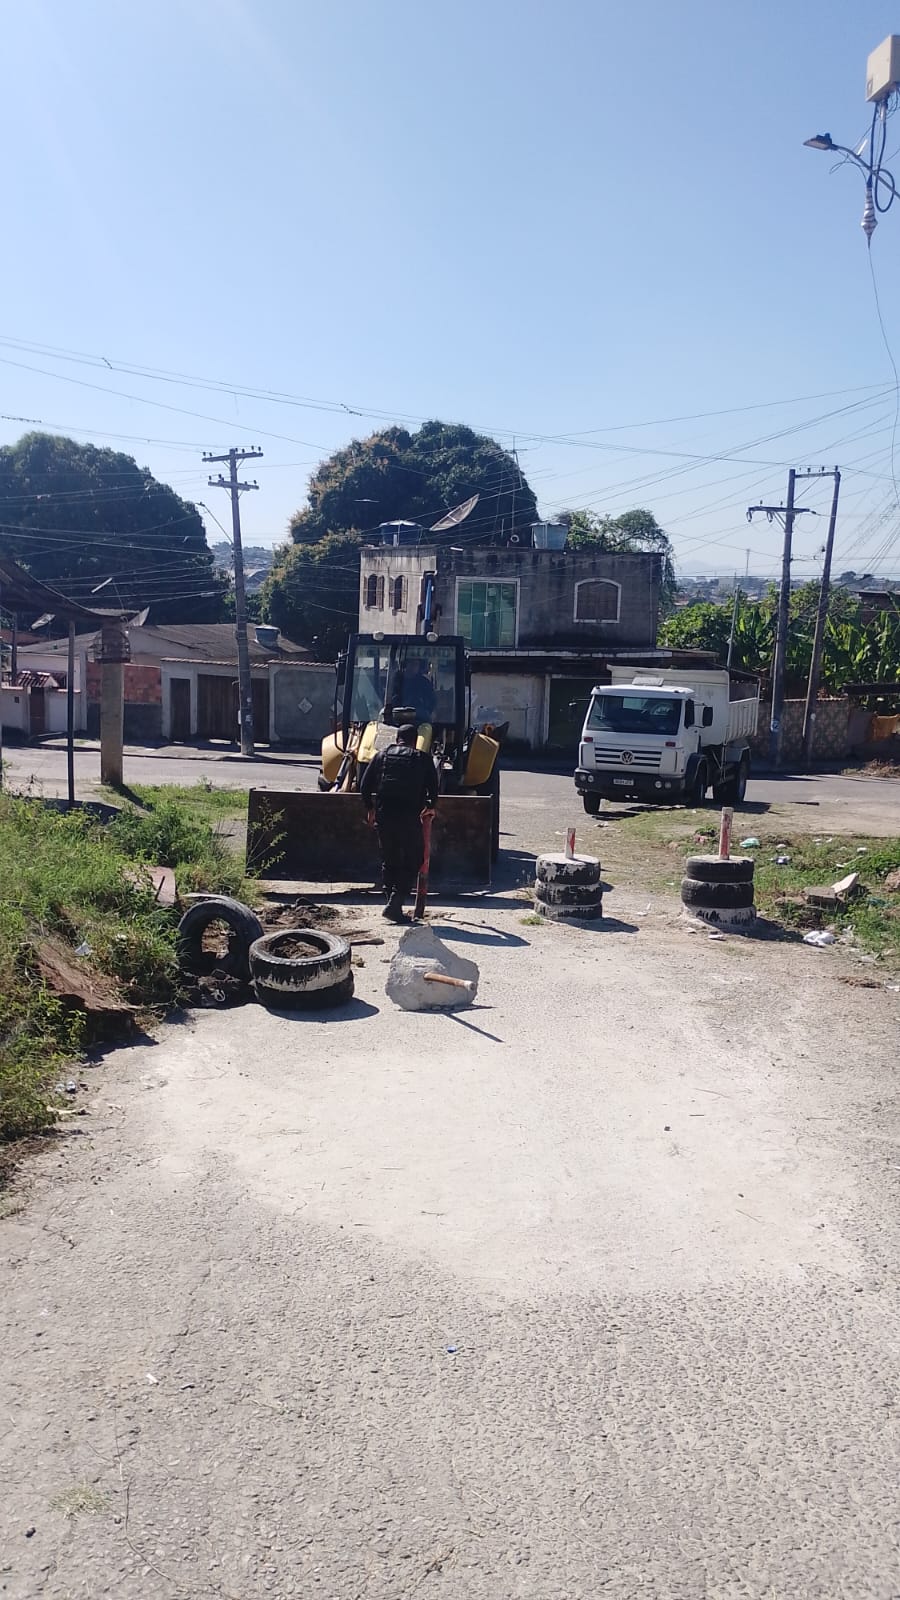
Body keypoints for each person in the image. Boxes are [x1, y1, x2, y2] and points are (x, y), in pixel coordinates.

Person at [360, 723, 438, 922]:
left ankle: (391, 903)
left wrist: (370, 809)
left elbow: (364, 785)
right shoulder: (423, 759)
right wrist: (430, 806)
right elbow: (433, 788)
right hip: (409, 818)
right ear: (415, 741)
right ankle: (395, 902)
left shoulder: (381, 756)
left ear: (397, 739)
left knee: (389, 859)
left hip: (384, 817)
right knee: (414, 859)